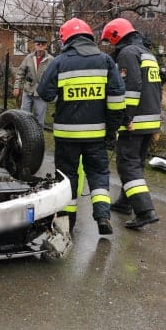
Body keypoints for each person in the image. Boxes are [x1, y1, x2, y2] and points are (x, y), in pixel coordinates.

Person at [37, 18, 125, 235]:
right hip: (96, 134)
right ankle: (103, 216)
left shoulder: (59, 61)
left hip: (66, 134)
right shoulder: (105, 61)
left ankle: (67, 224)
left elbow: (44, 92)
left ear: (66, 39)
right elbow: (117, 99)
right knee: (98, 174)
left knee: (67, 178)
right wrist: (111, 131)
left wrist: (64, 95)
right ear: (89, 37)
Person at [101, 18, 162, 228]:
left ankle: (145, 211)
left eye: (111, 41)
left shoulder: (128, 54)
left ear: (117, 35)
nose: (112, 46)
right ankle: (124, 203)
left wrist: (126, 117)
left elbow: (132, 88)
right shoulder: (147, 53)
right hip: (150, 118)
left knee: (127, 165)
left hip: (134, 122)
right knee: (136, 164)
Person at [14, 36, 53, 128]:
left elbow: (54, 76)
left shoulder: (50, 60)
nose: (40, 46)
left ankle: (38, 139)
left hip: (41, 92)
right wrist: (17, 87)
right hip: (28, 90)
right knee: (24, 116)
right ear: (34, 45)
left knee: (39, 119)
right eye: (38, 44)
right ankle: (24, 137)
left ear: (46, 46)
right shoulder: (29, 58)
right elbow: (20, 73)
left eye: (42, 44)